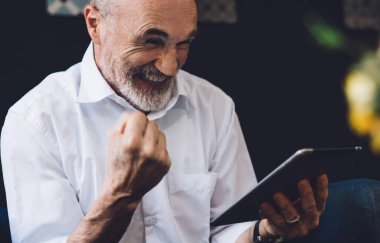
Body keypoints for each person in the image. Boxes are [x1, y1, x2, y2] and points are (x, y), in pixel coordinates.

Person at [0, 0, 329, 242]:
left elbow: (226, 231)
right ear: (95, 24)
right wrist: (121, 196)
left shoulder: (215, 106)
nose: (171, 66)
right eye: (152, 41)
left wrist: (264, 232)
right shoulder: (35, 122)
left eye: (184, 44)